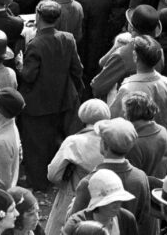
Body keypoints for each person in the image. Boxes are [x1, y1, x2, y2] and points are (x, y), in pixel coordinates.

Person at [18, 0, 84, 191]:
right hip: (61, 100)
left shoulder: (35, 44)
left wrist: (20, 65)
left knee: (35, 145)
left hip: (37, 103)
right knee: (53, 141)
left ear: (38, 16)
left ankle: (38, 182)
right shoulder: (68, 38)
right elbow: (76, 69)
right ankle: (54, 177)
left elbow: (29, 76)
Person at [44, 100, 110, 235]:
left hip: (71, 197)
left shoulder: (73, 141)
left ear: (82, 116)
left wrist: (65, 184)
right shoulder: (111, 141)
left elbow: (53, 174)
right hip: (104, 200)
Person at [63, 169, 140, 235]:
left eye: (119, 198)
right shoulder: (75, 224)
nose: (117, 204)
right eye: (111, 200)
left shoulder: (127, 219)